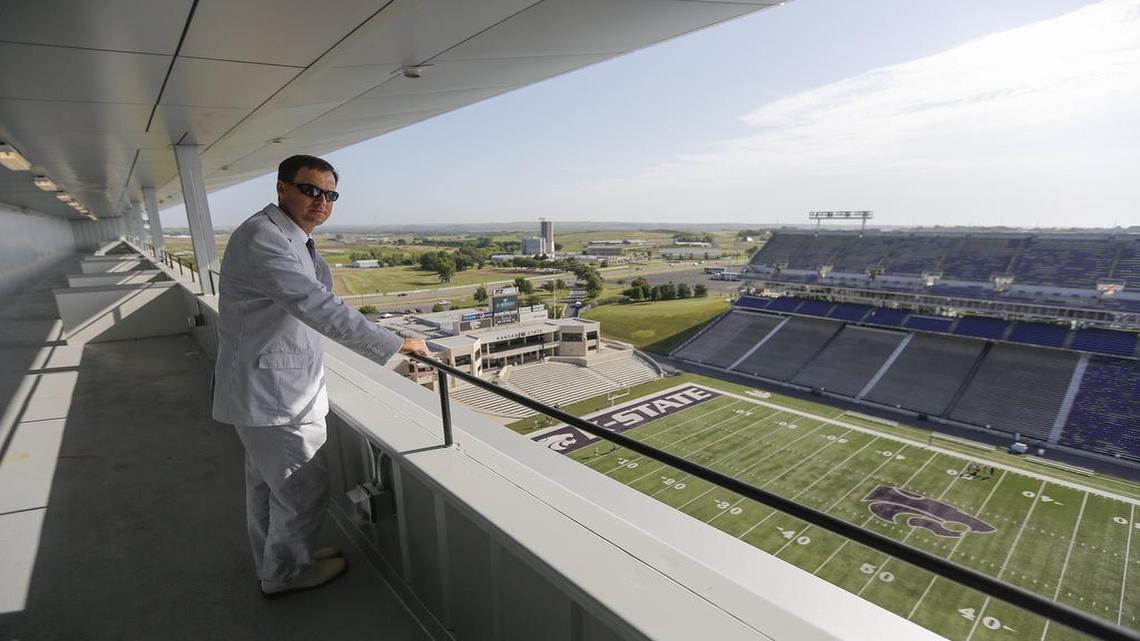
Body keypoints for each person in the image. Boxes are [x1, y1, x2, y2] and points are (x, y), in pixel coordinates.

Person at [212, 154, 430, 598]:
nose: (321, 201)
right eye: (310, 189)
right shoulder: (263, 238)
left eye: (330, 194)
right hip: (273, 395)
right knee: (301, 489)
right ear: (281, 188)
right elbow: (315, 305)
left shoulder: (288, 238)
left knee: (267, 487)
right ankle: (286, 574)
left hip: (271, 388)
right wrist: (392, 343)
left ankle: (279, 560)